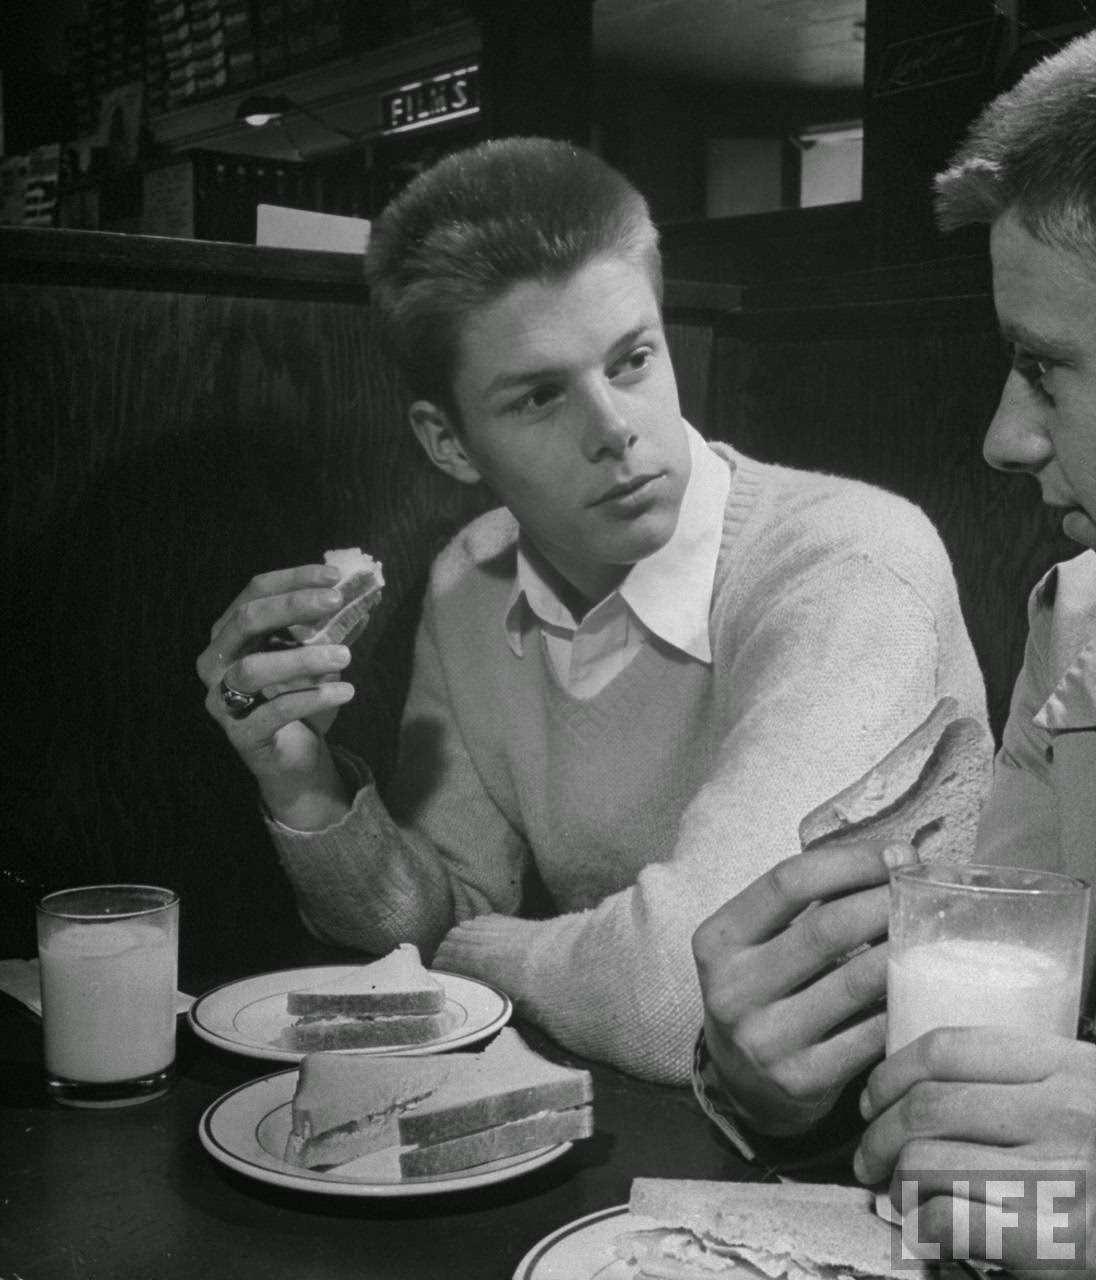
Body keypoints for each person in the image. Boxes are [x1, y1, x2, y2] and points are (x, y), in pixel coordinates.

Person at [196, 136, 987, 1086]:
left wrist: (474, 950)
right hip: (638, 1117)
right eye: (540, 396)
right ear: (449, 443)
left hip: (905, 1127)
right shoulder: (470, 579)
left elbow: (684, 999)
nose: (615, 430)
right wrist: (303, 785)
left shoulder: (850, 564)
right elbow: (433, 909)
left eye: (633, 360)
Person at [694, 31, 1096, 1276]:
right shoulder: (1077, 623)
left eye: (1044, 366)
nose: (1002, 437)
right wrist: (784, 1089)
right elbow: (1003, 1135)